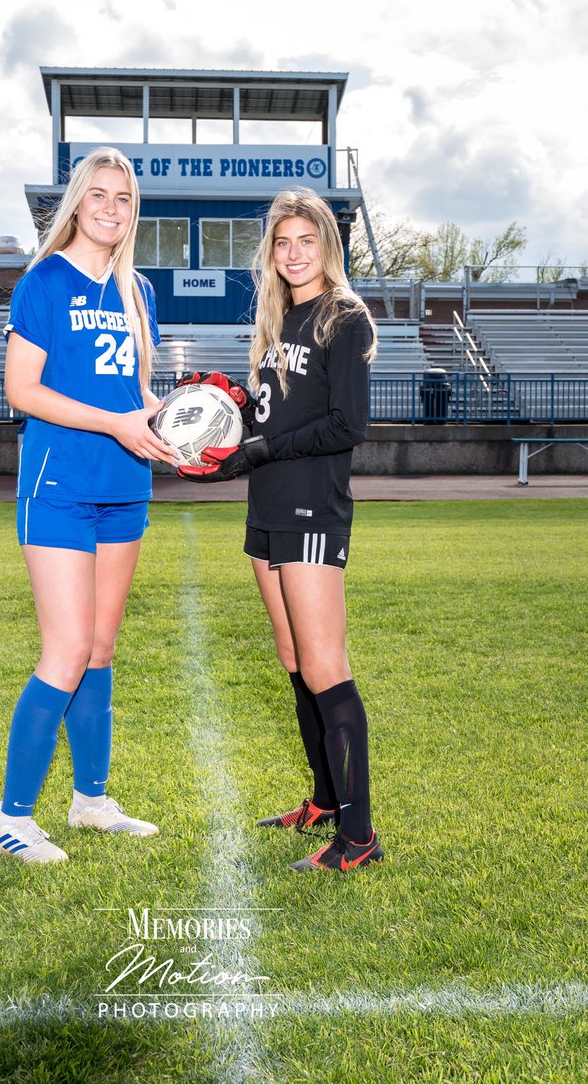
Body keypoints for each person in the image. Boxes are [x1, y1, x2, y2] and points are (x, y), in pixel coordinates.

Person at [179, 189, 383, 872]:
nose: (294, 254)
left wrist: (260, 450)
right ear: (270, 252)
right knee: (293, 658)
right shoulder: (277, 320)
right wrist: (219, 428)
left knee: (326, 665)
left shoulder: (344, 318)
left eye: (307, 240)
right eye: (282, 242)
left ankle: (359, 837)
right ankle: (324, 801)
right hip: (267, 506)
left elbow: (345, 425)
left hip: (312, 510)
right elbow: (271, 420)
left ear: (327, 244)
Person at [0, 147, 176, 865]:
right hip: (60, 485)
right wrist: (118, 423)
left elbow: (132, 395)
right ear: (76, 203)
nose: (111, 207)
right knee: (64, 650)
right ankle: (11, 820)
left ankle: (91, 802)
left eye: (123, 198)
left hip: (125, 485)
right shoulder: (42, 282)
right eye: (98, 194)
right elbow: (22, 391)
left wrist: (178, 423)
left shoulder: (138, 293)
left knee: (100, 648)